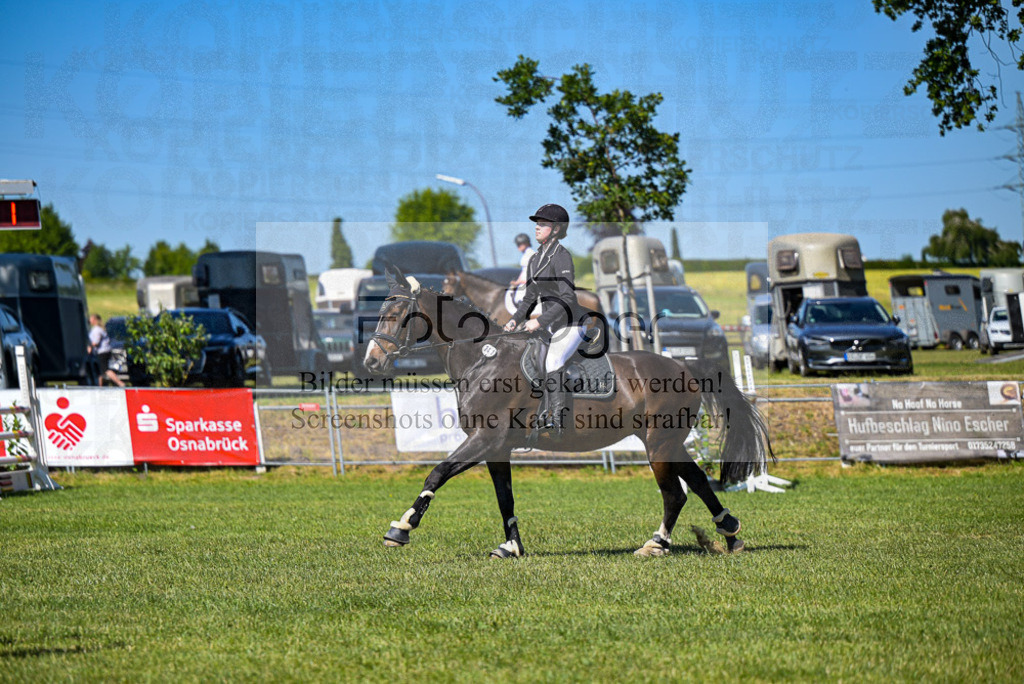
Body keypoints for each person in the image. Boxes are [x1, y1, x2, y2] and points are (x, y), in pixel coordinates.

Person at [503, 204, 586, 436]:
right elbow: (529, 298)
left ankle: (557, 418)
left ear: (557, 229)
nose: (537, 228)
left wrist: (538, 322)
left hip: (571, 323)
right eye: (537, 224)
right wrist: (514, 320)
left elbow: (568, 297)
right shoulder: (535, 259)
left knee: (554, 359)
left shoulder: (561, 256)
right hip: (551, 325)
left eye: (543, 224)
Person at [87, 314, 125, 388]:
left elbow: (96, 342)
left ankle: (120, 383)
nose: (89, 320)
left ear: (94, 320)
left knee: (105, 370)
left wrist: (90, 347)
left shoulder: (97, 330)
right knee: (100, 371)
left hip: (102, 352)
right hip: (104, 351)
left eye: (91, 319)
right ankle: (100, 387)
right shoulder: (99, 329)